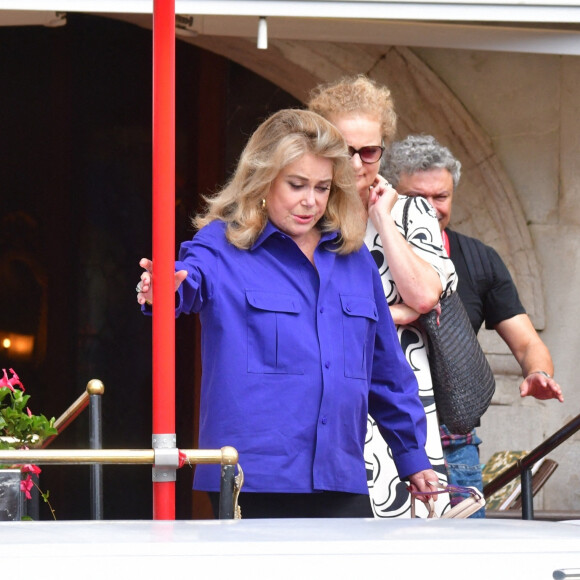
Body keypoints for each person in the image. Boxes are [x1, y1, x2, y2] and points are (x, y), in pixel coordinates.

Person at [136, 109, 438, 519]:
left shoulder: (355, 259)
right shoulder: (221, 245)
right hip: (250, 476)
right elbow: (189, 285)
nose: (310, 201)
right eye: (296, 185)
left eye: (322, 187)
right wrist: (163, 291)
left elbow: (385, 369)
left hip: (341, 472)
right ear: (262, 180)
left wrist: (412, 455)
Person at [382, 134, 564, 517]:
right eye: (418, 197)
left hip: (455, 447)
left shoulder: (480, 258)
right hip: (378, 440)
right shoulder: (360, 249)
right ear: (387, 193)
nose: (431, 208)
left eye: (441, 197)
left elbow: (527, 343)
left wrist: (539, 372)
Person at [308, 76, 457, 517]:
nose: (356, 162)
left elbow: (427, 295)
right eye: (343, 147)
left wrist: (382, 220)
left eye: (368, 151)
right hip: (329, 400)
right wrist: (394, 312)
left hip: (404, 396)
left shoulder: (412, 211)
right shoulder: (304, 210)